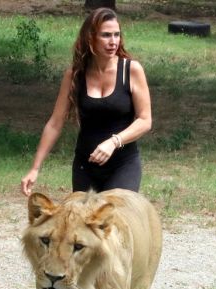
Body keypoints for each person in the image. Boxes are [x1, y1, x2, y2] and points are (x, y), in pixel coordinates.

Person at [20, 7, 152, 196]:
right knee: (82, 223)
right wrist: (35, 168)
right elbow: (55, 123)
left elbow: (145, 120)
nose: (113, 41)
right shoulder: (75, 75)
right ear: (90, 38)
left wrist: (114, 142)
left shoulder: (131, 70)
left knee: (114, 219)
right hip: (86, 166)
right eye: (106, 35)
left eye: (117, 35)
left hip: (123, 165)